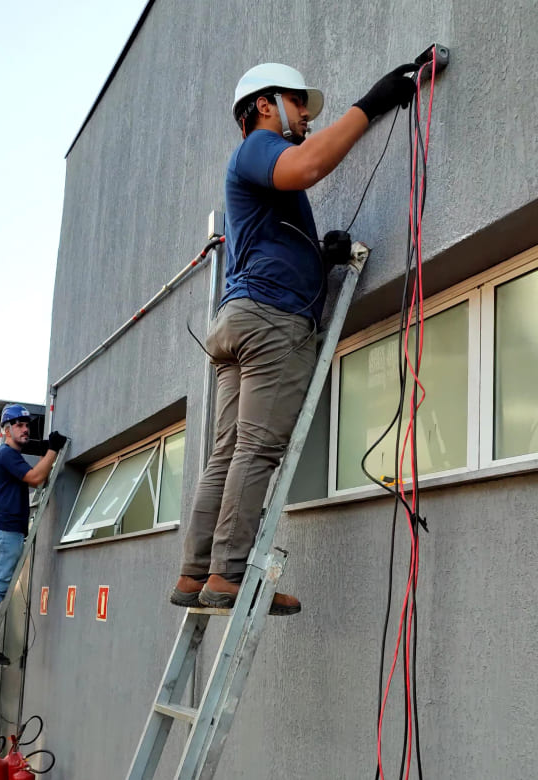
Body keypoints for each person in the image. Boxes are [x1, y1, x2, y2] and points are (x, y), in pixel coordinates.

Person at [170, 62, 415, 615]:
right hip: (270, 321)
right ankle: (230, 576)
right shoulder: (258, 147)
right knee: (256, 450)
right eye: (298, 103)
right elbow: (307, 166)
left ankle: (195, 574)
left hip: (238, 321)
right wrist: (373, 101)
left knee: (226, 453)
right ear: (264, 106)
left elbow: (269, 238)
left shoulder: (255, 172)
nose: (305, 114)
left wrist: (317, 256)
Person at [0, 404, 67, 664]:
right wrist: (53, 450)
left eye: (26, 425)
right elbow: (35, 478)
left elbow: (34, 475)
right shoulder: (6, 454)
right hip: (5, 529)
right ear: (6, 430)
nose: (25, 429)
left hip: (0, 527)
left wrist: (45, 453)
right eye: (19, 425)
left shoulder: (7, 455)